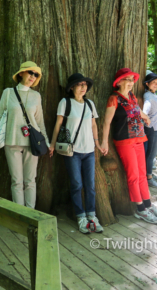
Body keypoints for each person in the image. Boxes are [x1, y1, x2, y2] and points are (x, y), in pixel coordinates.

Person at [99, 68, 157, 224]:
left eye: (131, 80)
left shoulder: (132, 96)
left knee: (142, 174)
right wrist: (103, 141)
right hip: (124, 141)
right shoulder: (114, 99)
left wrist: (146, 117)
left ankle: (148, 204)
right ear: (119, 82)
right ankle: (140, 209)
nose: (131, 83)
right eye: (127, 79)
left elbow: (138, 111)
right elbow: (107, 122)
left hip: (139, 139)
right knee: (134, 176)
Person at [0, 61, 49, 209]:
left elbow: (40, 122)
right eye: (30, 72)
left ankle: (30, 214)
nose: (33, 76)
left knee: (30, 180)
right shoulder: (7, 93)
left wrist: (47, 142)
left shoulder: (36, 96)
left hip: (32, 143)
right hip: (11, 142)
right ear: (21, 73)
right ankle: (19, 215)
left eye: (36, 74)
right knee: (17, 181)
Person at [49, 73, 104, 234]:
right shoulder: (65, 103)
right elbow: (58, 124)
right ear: (72, 87)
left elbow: (94, 125)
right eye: (79, 84)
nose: (83, 87)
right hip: (72, 152)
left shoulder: (89, 104)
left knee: (90, 186)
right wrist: (52, 144)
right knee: (76, 184)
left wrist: (97, 143)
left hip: (89, 151)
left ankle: (92, 216)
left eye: (85, 84)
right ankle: (81, 217)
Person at [143, 71, 157, 188]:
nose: (156, 85)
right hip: (152, 129)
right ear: (147, 84)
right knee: (150, 155)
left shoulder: (154, 95)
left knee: (152, 154)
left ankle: (150, 173)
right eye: (153, 83)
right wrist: (147, 120)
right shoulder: (148, 97)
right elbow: (144, 112)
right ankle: (149, 178)